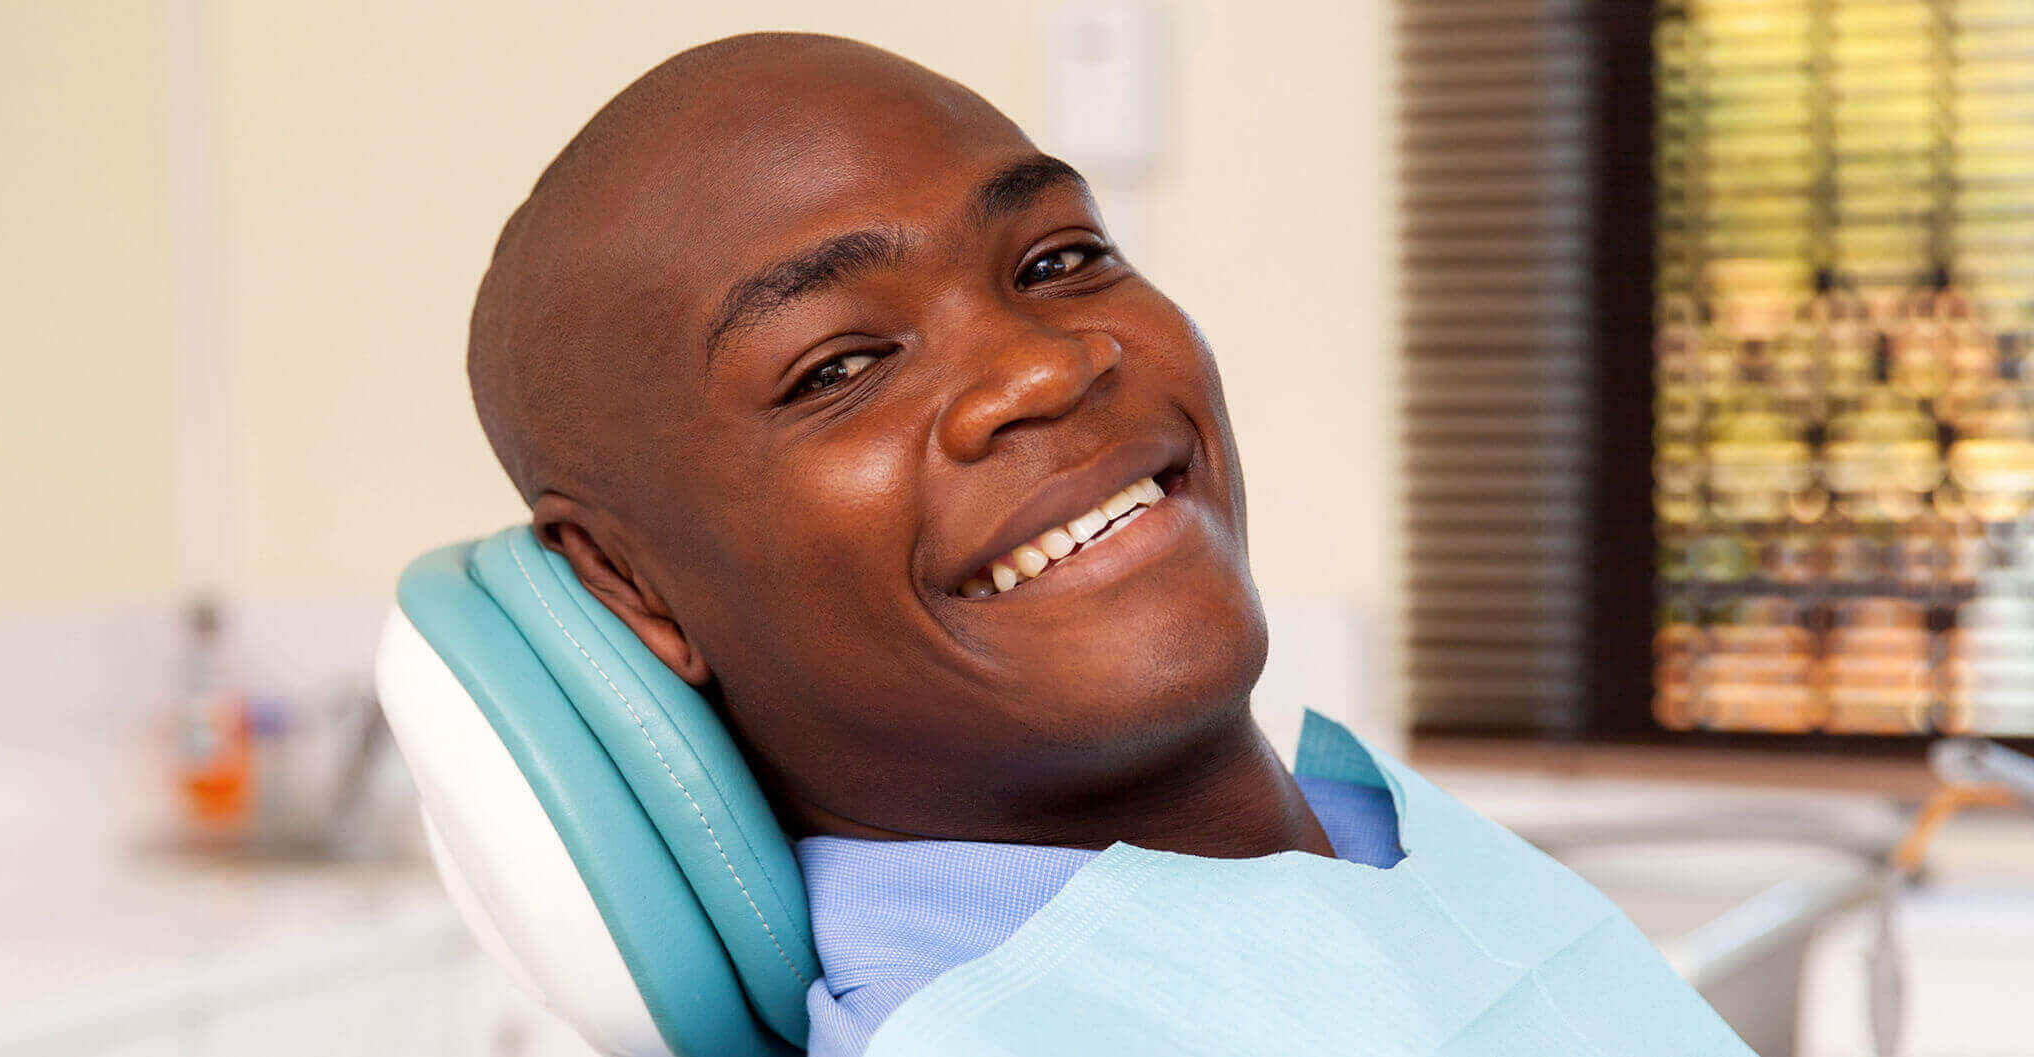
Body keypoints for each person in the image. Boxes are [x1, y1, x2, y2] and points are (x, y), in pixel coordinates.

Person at [466, 32, 1748, 1056]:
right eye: (839, 366)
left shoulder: (1375, 839)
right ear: (630, 584)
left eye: (1058, 258)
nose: (1042, 365)